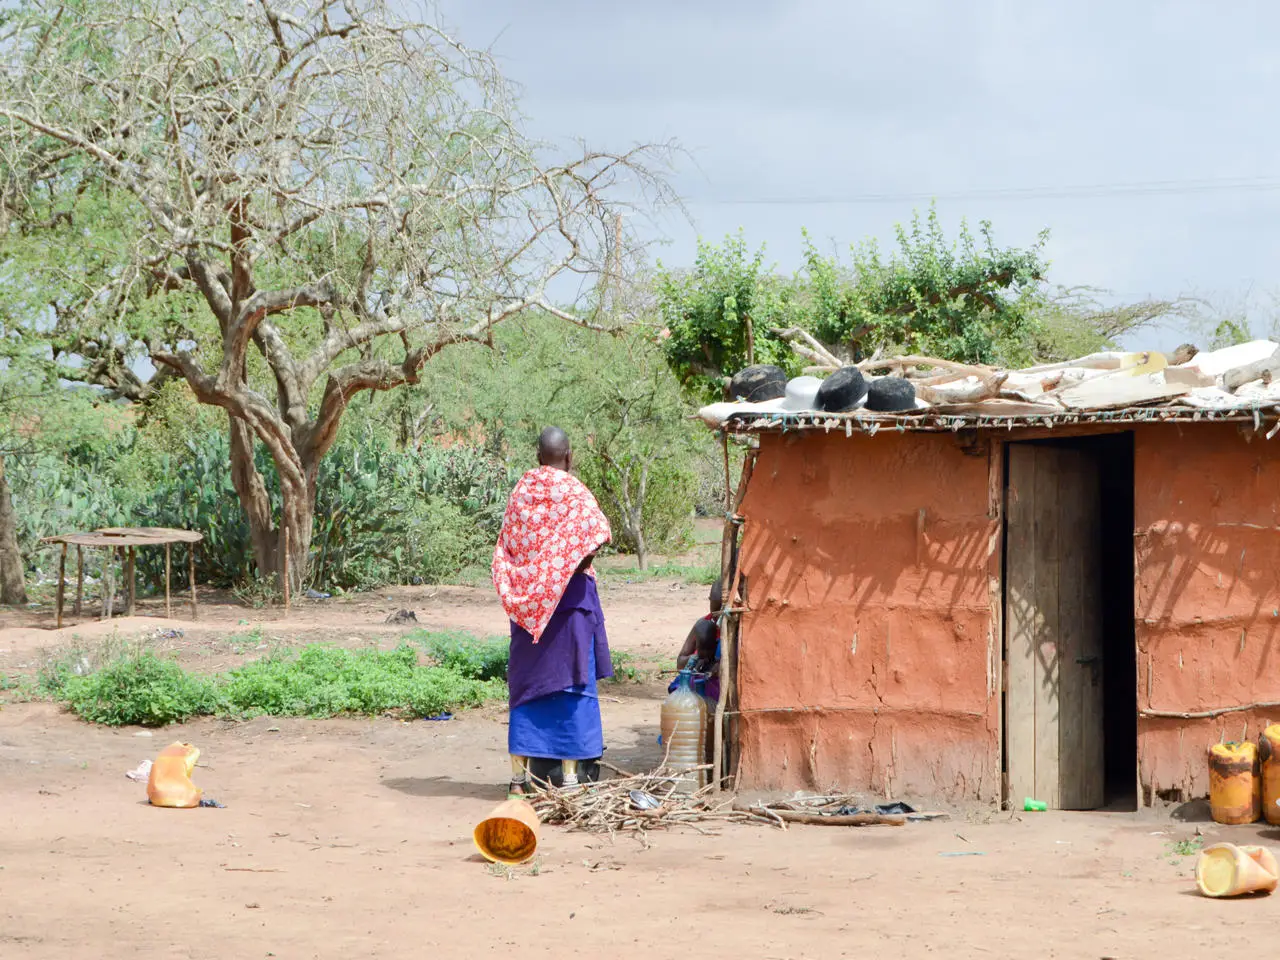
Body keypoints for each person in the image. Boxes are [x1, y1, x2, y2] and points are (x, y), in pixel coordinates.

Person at [492, 427, 614, 799]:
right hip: (571, 604)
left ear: (538, 456)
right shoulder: (575, 492)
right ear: (569, 456)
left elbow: (510, 547)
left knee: (528, 686)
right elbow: (595, 541)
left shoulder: (521, 493)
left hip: (529, 611)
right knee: (573, 681)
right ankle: (572, 779)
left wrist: (540, 578)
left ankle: (518, 781)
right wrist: (562, 569)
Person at [671, 579, 723, 702]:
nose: (716, 617)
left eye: (721, 611)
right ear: (709, 600)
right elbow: (680, 663)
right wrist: (697, 659)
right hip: (698, 678)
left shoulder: (735, 630)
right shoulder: (702, 625)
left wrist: (719, 666)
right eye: (714, 611)